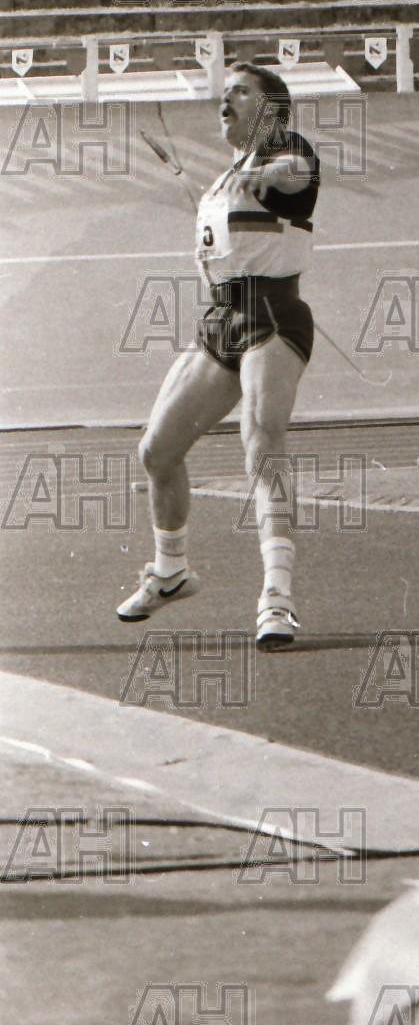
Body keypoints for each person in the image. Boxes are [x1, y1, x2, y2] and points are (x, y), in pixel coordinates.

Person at [117, 63, 320, 648]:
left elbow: (295, 174)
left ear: (270, 109)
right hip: (221, 320)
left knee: (261, 442)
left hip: (272, 314)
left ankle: (277, 597)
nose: (224, 100)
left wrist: (267, 172)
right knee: (156, 451)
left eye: (239, 91)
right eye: (222, 92)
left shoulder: (286, 150)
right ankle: (170, 572)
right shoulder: (223, 178)